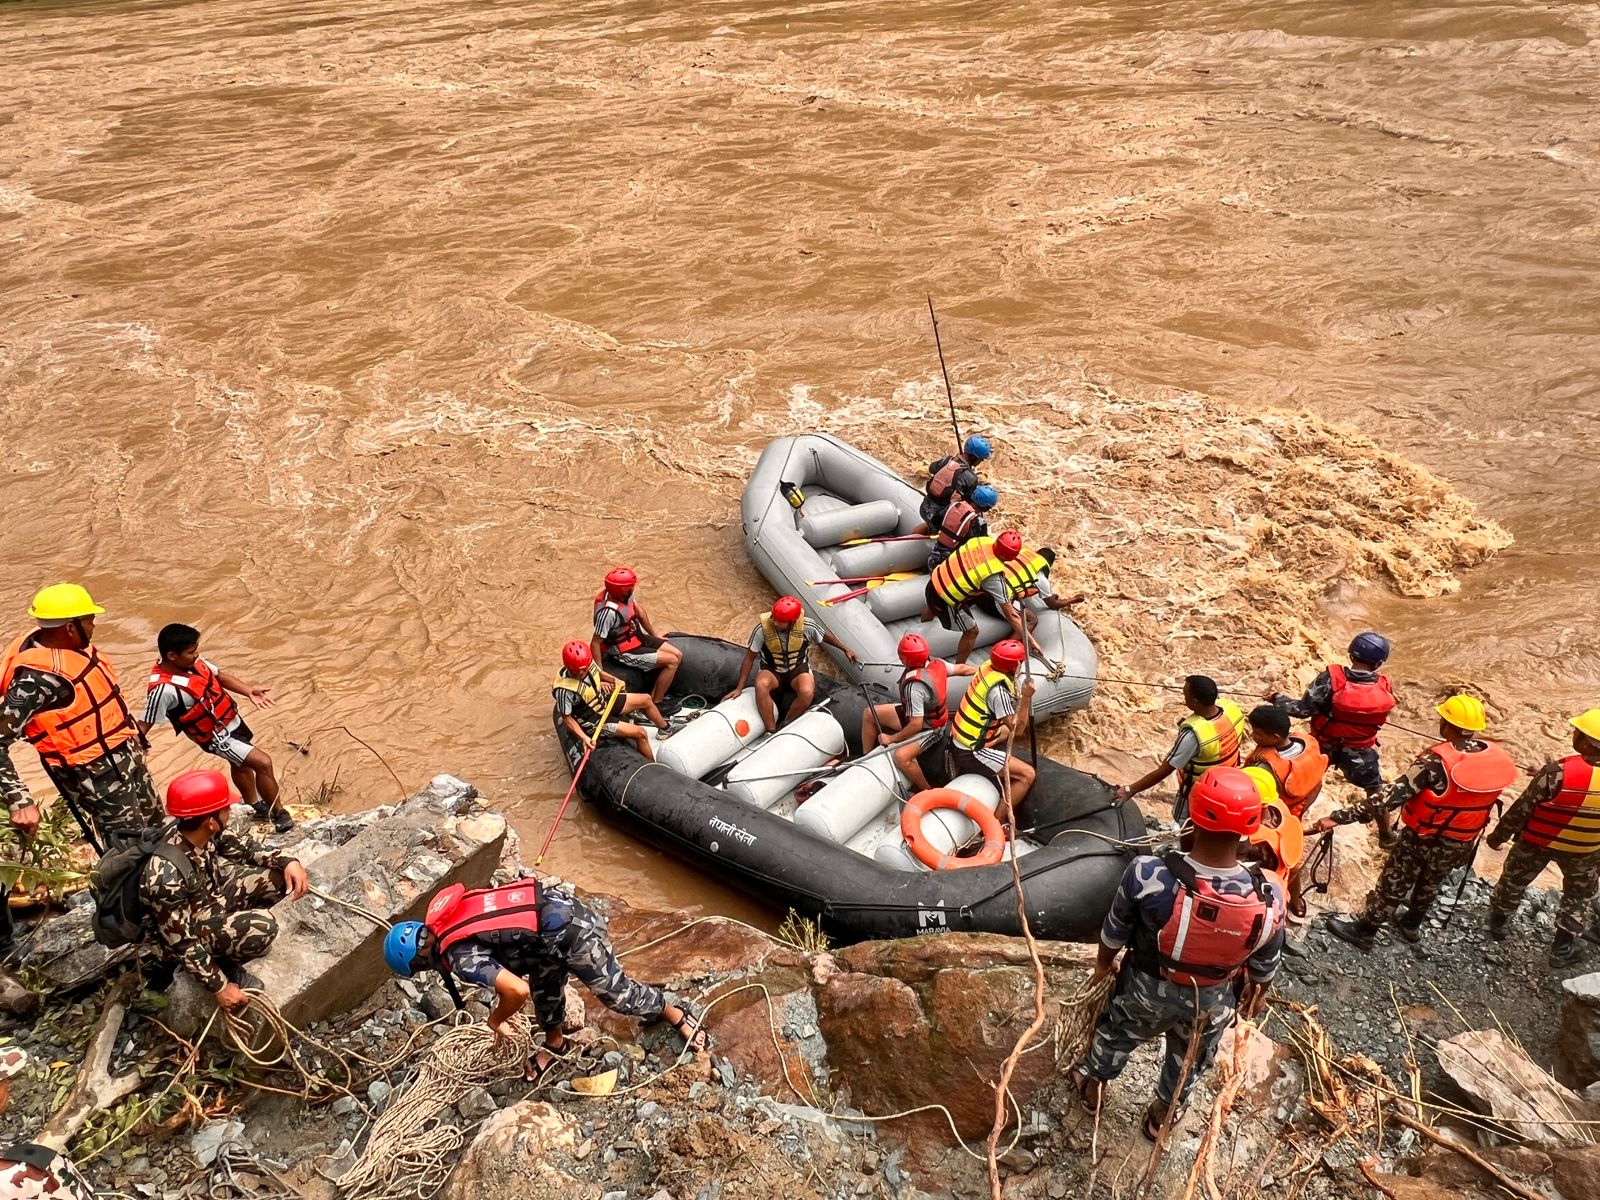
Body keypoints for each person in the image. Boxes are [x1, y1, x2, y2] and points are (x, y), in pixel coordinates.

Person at [1073, 767, 1285, 1139]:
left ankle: (1093, 1092)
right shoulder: (1270, 892)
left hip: (1146, 987)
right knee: (1190, 1060)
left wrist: (1103, 968)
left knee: (1116, 1033)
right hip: (1213, 997)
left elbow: (1114, 931)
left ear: (1192, 814)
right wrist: (1260, 992)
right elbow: (1265, 960)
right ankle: (1161, 1118)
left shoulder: (1148, 872)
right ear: (1250, 827)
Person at [382, 878, 709, 1082]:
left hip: (571, 931)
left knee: (614, 993)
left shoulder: (459, 957)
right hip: (547, 929)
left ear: (419, 965)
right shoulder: (445, 918)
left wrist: (496, 1021)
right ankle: (555, 1042)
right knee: (546, 988)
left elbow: (515, 990)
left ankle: (671, 1011)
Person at [1314, 694, 1518, 950]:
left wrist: (1338, 817)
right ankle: (1411, 924)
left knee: (1395, 881)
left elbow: (1389, 798)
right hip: (1462, 838)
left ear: (1448, 725)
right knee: (1432, 880)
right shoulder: (1495, 757)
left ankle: (1365, 931)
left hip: (1424, 836)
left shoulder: (1435, 762)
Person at [1, 584, 160, 853]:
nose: (94, 626)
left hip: (125, 756)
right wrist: (20, 800)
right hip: (97, 780)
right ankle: (130, 892)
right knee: (131, 850)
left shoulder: (69, 646)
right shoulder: (36, 681)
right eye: (90, 620)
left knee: (157, 826)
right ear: (70, 627)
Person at [139, 769, 308, 1012]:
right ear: (211, 820)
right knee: (262, 927)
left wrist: (287, 861)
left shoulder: (200, 830)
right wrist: (219, 985)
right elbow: (181, 942)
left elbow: (247, 849)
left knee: (279, 880)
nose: (229, 812)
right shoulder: (165, 877)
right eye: (225, 809)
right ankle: (224, 963)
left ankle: (227, 941)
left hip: (208, 899)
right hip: (179, 934)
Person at [138, 624, 290, 833]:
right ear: (172, 655)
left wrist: (248, 691)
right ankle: (279, 812)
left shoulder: (196, 663)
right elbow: (145, 721)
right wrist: (136, 745)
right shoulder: (163, 690)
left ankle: (255, 806)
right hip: (215, 736)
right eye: (191, 652)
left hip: (231, 720)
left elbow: (219, 677)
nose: (196, 655)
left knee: (241, 764)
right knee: (263, 763)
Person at [1485, 709, 1600, 966]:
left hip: (1537, 842)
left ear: (1586, 741)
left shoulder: (1556, 773)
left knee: (1513, 882)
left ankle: (1498, 925)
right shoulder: (1554, 772)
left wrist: (1497, 837)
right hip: (1585, 850)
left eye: (1577, 732)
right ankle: (1561, 950)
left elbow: (1521, 810)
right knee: (1578, 897)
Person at [1268, 632, 1399, 847]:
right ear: (1378, 663)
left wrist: (1277, 699)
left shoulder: (1331, 678)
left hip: (1324, 743)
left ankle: (1286, 825)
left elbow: (1302, 710)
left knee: (1308, 782)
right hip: (1360, 750)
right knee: (1375, 789)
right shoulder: (1385, 685)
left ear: (1350, 654)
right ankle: (1386, 835)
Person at [1114, 676, 1247, 823]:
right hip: (1228, 785)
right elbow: (1217, 734)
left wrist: (1129, 791)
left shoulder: (1192, 736)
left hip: (1199, 793)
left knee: (1186, 825)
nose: (1184, 699)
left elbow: (1164, 770)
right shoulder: (1231, 708)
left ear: (1195, 701)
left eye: (1185, 696)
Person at [859, 633, 976, 793]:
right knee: (869, 714)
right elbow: (961, 668)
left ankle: (926, 790)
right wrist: (980, 671)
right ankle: (865, 757)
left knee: (902, 758)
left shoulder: (914, 688)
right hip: (919, 713)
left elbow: (916, 725)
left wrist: (891, 738)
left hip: (930, 728)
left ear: (905, 659)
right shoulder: (937, 663)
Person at [724, 597, 858, 734]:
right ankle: (770, 729)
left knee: (807, 692)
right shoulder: (761, 630)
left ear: (792, 621)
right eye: (773, 618)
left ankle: (786, 724)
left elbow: (825, 636)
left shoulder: (808, 626)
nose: (774, 622)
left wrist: (845, 649)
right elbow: (749, 659)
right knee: (761, 685)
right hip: (772, 669)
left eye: (780, 621)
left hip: (797, 668)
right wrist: (739, 688)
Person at [1243, 705, 1328, 915]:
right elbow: (1317, 782)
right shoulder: (1305, 743)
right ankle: (1296, 900)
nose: (1253, 736)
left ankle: (1277, 902)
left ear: (1274, 737)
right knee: (1292, 857)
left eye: (1257, 733)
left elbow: (1252, 799)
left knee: (1283, 862)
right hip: (1297, 810)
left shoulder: (1265, 768)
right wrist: (1300, 811)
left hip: (1275, 819)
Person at [945, 639, 1035, 821]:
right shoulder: (998, 692)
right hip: (972, 750)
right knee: (1027, 775)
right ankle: (998, 821)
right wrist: (1026, 698)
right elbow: (1018, 730)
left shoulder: (988, 666)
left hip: (964, 734)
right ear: (1015, 666)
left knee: (1002, 730)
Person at [921, 531, 1025, 666]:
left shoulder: (981, 541)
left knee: (931, 605)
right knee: (972, 631)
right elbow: (1012, 615)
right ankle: (960, 666)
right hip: (946, 600)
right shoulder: (993, 576)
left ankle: (923, 625)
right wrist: (1031, 641)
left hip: (934, 582)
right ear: (1012, 557)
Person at [554, 641, 665, 763]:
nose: (582, 672)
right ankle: (653, 767)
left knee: (646, 699)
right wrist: (584, 738)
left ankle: (665, 729)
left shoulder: (587, 663)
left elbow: (599, 673)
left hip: (603, 701)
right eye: (577, 670)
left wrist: (614, 680)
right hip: (594, 721)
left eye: (584, 669)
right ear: (570, 667)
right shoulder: (564, 691)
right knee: (640, 733)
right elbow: (567, 718)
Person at [590, 568, 682, 706]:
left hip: (636, 638)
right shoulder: (607, 613)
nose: (633, 588)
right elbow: (595, 643)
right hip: (623, 650)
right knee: (672, 661)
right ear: (624, 590)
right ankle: (657, 702)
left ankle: (658, 690)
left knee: (678, 654)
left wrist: (655, 636)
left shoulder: (625, 596)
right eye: (631, 586)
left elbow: (640, 614)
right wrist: (600, 672)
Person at [976, 544, 1086, 655]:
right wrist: (1073, 600)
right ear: (1049, 564)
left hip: (981, 591)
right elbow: (1052, 604)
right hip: (994, 601)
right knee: (1030, 619)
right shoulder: (1040, 573)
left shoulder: (1022, 554)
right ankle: (1003, 653)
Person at [919, 434, 991, 529]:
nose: (980, 462)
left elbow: (932, 468)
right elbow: (969, 502)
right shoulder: (971, 478)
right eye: (980, 460)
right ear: (974, 457)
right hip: (938, 517)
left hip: (924, 507)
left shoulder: (947, 460)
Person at [926, 483, 996, 572]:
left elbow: (935, 520)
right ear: (986, 508)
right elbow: (981, 546)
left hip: (932, 558)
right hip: (947, 566)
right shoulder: (979, 523)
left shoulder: (954, 505)